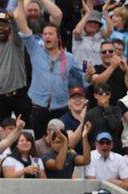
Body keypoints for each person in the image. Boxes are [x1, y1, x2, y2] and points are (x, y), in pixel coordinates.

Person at [15, 0, 82, 139]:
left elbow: (82, 78)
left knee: (61, 144)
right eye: (44, 34)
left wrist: (89, 76)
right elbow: (19, 19)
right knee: (40, 145)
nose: (46, 36)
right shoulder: (35, 49)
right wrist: (21, 2)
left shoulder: (69, 58)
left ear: (58, 38)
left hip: (61, 109)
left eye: (50, 34)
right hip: (38, 109)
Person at [0, 12, 30, 128]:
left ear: (10, 27)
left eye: (4, 25)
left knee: (26, 129)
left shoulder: (16, 42)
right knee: (2, 131)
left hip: (19, 93)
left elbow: (17, 31)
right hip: (0, 97)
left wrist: (13, 20)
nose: (1, 29)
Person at [84, 83, 124, 154]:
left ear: (110, 95)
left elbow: (116, 128)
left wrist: (107, 108)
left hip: (114, 151)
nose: (104, 96)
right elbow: (87, 136)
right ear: (95, 96)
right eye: (100, 94)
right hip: (96, 152)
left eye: (107, 94)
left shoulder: (116, 110)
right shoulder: (90, 113)